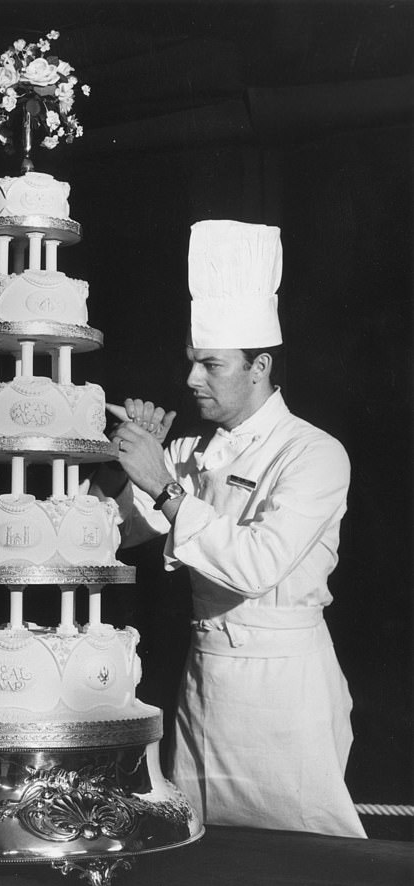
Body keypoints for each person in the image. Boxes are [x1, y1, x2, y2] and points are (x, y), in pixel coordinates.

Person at [90, 219, 366, 837]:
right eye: (192, 363)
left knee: (305, 873)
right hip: (204, 685)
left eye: (210, 366)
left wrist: (164, 484)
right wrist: (127, 460)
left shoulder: (314, 454)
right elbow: (107, 534)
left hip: (284, 689)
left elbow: (256, 564)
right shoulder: (188, 449)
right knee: (201, 860)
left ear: (260, 366)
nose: (191, 381)